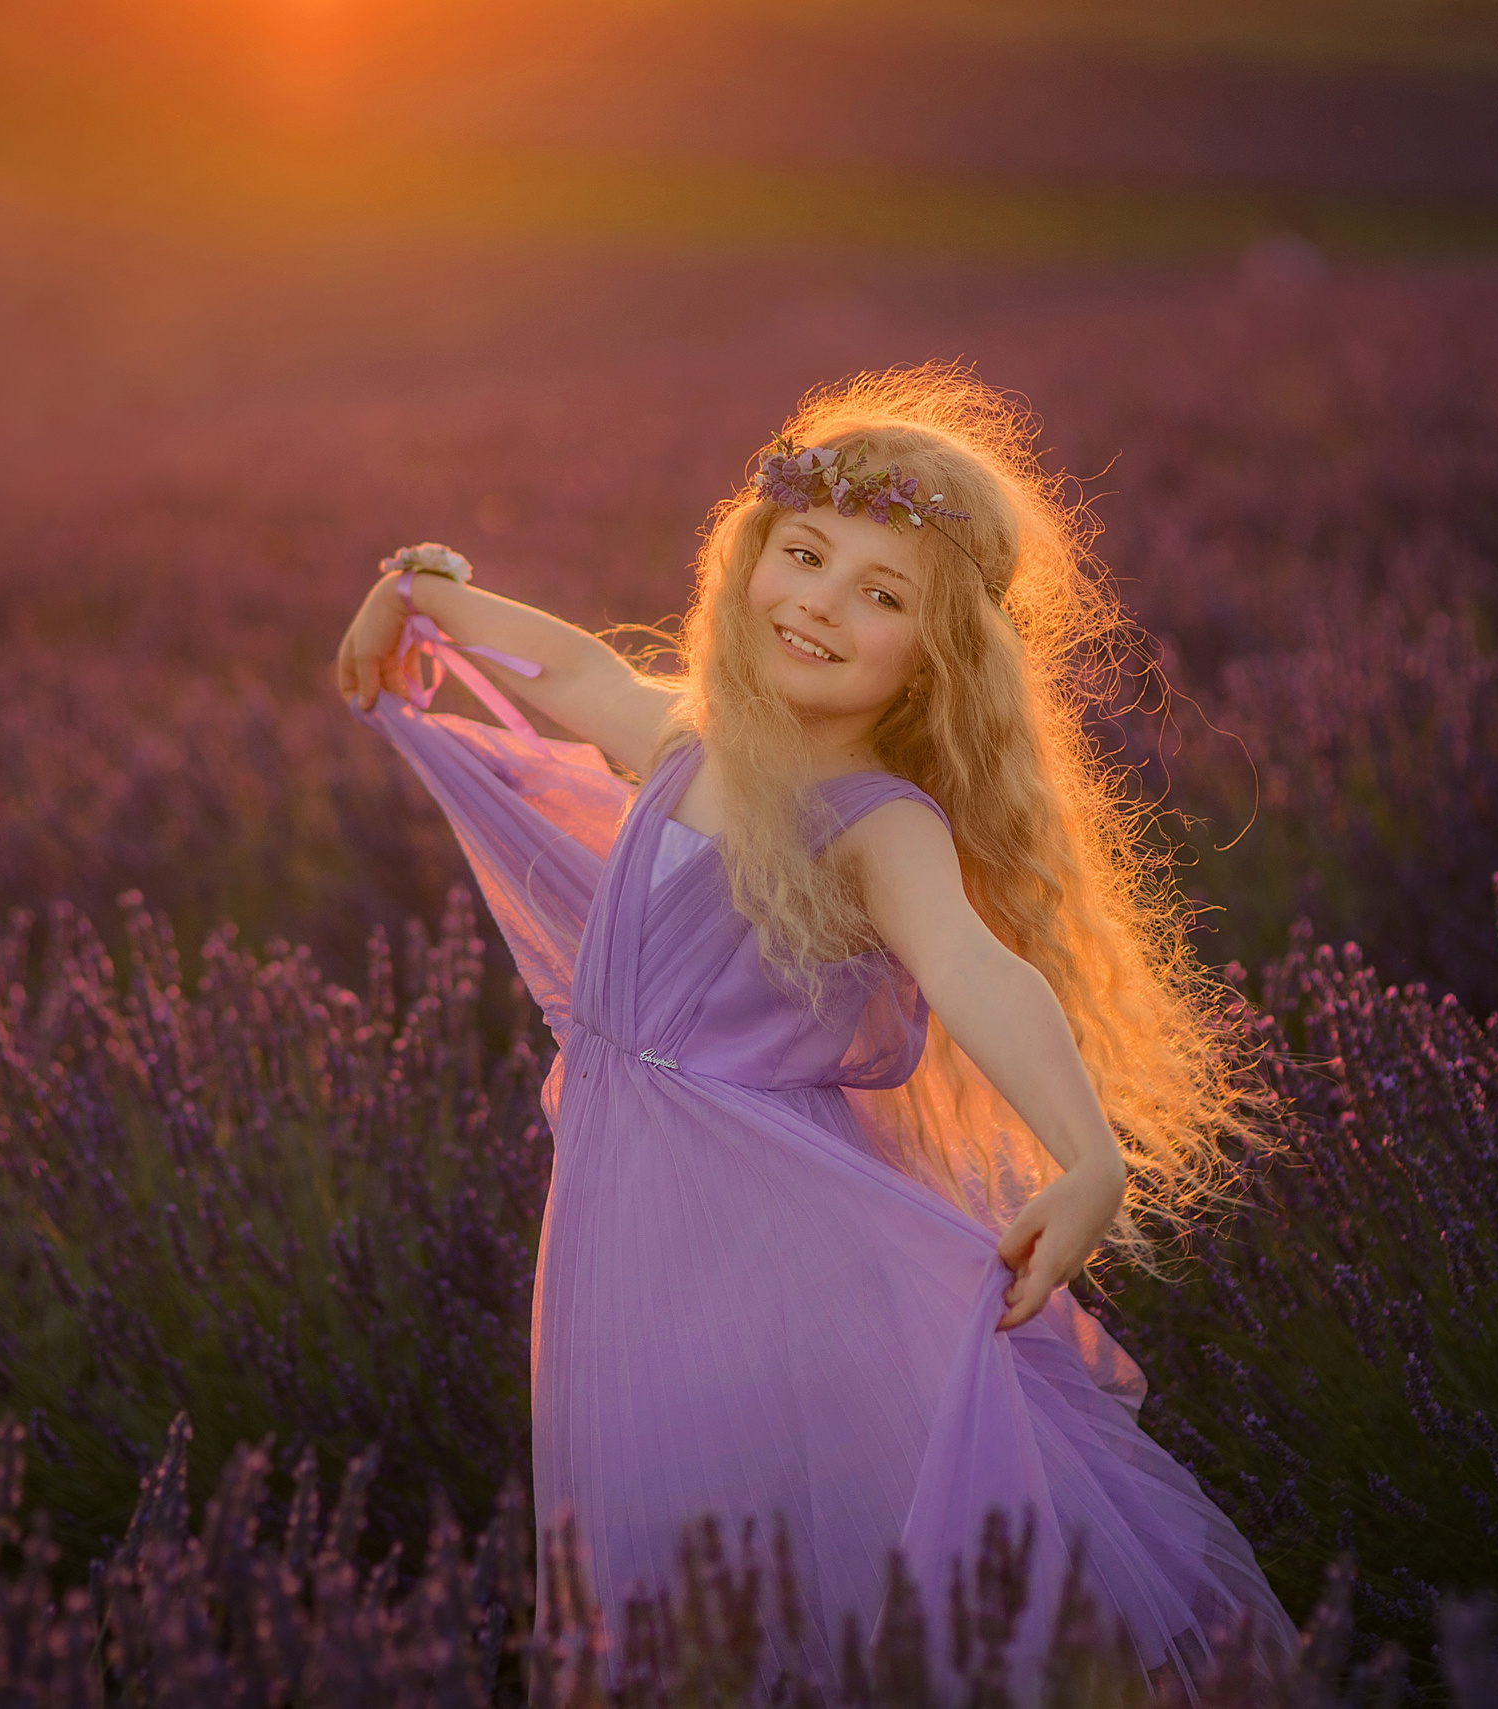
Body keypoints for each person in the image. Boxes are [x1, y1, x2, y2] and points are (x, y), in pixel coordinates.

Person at [333, 364, 1295, 1697]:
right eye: (803, 555)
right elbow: (573, 665)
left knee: (868, 1542)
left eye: (879, 594)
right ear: (749, 560)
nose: (821, 604)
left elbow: (973, 964)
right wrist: (422, 586)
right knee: (682, 1544)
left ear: (936, 653)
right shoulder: (688, 737)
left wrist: (1088, 1155)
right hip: (630, 1228)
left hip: (778, 1231)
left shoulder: (874, 818)